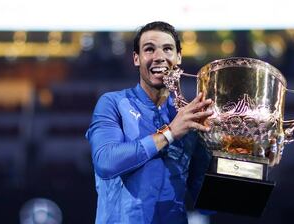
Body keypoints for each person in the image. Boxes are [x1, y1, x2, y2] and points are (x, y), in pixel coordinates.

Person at [85, 21, 214, 223]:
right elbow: (106, 162)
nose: (159, 57)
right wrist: (169, 133)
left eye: (168, 49)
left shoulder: (187, 118)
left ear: (178, 57)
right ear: (136, 58)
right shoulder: (113, 103)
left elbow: (207, 203)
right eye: (149, 49)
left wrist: (243, 157)